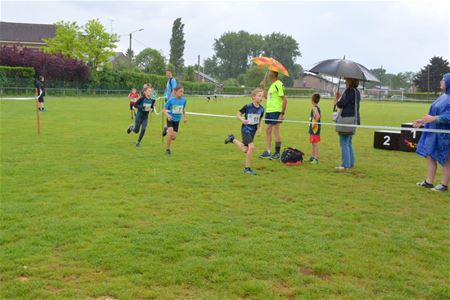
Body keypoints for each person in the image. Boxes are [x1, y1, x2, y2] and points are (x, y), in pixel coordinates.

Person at [413, 73, 450, 192]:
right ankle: (428, 182)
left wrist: (434, 119)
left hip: (445, 135)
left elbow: (447, 116)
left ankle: (443, 185)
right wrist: (422, 121)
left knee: (447, 159)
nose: (441, 82)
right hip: (434, 132)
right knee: (430, 156)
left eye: (443, 80)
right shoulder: (442, 96)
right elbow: (433, 113)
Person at [224, 88, 265, 175]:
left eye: (262, 96)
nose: (261, 97)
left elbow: (260, 120)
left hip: (253, 131)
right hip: (246, 129)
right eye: (259, 95)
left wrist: (260, 129)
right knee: (251, 147)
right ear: (253, 97)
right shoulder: (248, 106)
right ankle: (247, 169)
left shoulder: (262, 109)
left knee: (245, 149)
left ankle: (232, 139)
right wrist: (242, 120)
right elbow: (238, 114)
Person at [259, 71, 287, 160]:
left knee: (276, 131)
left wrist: (282, 114)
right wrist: (263, 88)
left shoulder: (279, 84)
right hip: (269, 111)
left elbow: (285, 100)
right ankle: (268, 151)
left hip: (276, 111)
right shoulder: (272, 85)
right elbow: (267, 97)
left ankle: (277, 153)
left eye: (269, 74)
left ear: (273, 75)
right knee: (268, 130)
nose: (267, 75)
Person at [334, 78, 361, 170]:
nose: (345, 81)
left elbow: (341, 104)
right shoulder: (357, 92)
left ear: (350, 81)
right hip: (353, 119)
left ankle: (345, 165)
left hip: (346, 119)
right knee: (349, 142)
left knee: (344, 142)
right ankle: (350, 163)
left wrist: (338, 99)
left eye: (346, 80)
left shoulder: (349, 91)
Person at [162, 85, 187, 155]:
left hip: (177, 120)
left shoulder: (184, 100)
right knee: (170, 134)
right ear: (175, 92)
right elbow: (163, 110)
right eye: (180, 91)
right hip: (170, 119)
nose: (182, 93)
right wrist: (167, 115)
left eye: (183, 92)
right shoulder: (171, 100)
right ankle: (168, 149)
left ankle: (166, 129)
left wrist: (185, 117)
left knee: (173, 137)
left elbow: (184, 108)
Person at [308, 93, 321, 164]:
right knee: (313, 143)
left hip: (315, 129)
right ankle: (312, 156)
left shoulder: (314, 108)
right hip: (313, 129)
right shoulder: (316, 107)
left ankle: (315, 158)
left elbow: (318, 116)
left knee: (315, 143)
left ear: (312, 100)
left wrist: (314, 124)